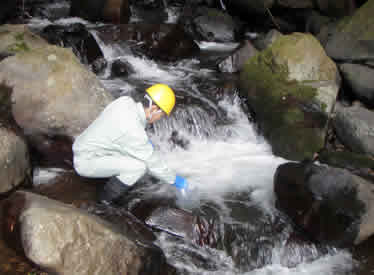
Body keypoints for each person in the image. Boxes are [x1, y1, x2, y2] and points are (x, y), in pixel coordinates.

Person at [72, 83, 189, 204]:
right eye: (162, 115)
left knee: (136, 155)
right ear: (154, 109)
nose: (160, 118)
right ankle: (104, 201)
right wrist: (175, 180)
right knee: (139, 167)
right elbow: (153, 163)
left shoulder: (125, 102)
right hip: (85, 161)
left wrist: (143, 144)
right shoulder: (134, 131)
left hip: (82, 145)